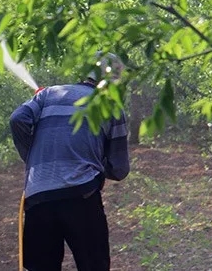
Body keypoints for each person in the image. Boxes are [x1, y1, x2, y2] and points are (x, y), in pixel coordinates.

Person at [9, 53, 130, 271]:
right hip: (81, 196)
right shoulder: (111, 106)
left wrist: (33, 156)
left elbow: (18, 119)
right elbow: (119, 169)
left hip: (39, 196)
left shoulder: (46, 94)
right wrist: (93, 158)